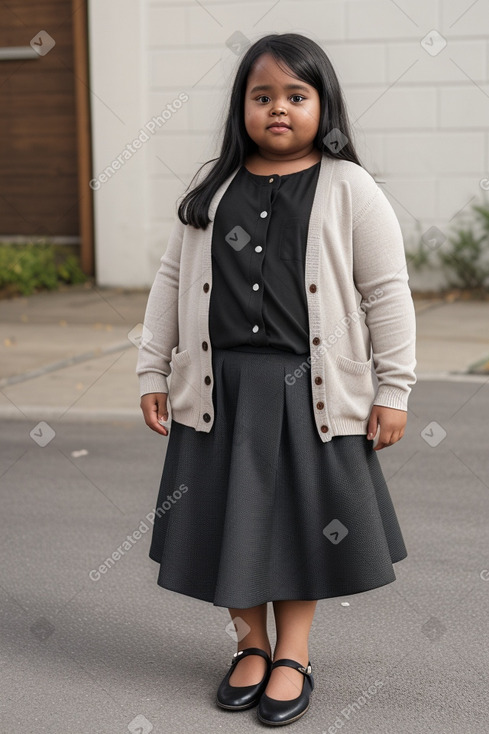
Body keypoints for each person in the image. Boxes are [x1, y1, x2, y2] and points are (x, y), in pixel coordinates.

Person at [136, 32, 416, 727]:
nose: (278, 109)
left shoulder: (348, 188)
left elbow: (386, 291)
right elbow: (171, 283)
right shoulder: (212, 189)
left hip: (309, 394)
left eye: (296, 95)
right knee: (227, 522)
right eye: (262, 97)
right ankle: (249, 645)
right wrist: (152, 368)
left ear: (324, 104)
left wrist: (393, 389)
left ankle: (293, 653)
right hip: (220, 391)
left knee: (300, 530)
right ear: (241, 109)